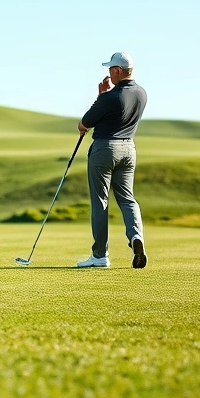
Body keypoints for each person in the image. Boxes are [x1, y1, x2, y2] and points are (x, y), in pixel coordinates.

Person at [76, 51, 148, 269]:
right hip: (129, 149)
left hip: (105, 149)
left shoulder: (109, 97)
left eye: (110, 69)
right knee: (127, 198)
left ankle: (100, 256)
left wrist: (100, 96)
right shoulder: (142, 93)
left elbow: (85, 123)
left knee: (100, 202)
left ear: (117, 71)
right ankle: (137, 238)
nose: (109, 73)